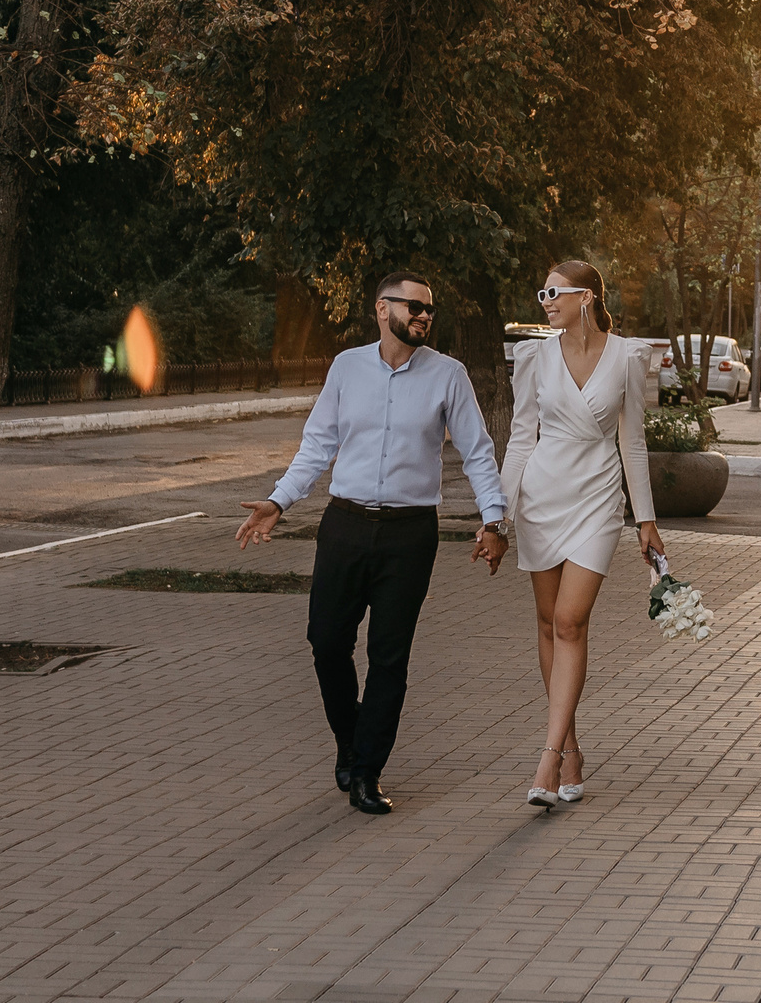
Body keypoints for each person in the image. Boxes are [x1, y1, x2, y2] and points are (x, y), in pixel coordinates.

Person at [236, 271, 509, 817]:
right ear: (382, 310)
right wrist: (278, 501)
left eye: (429, 309)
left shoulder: (448, 376)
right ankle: (350, 738)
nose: (424, 316)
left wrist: (494, 521)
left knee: (389, 655)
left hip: (410, 535)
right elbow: (317, 446)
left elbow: (477, 452)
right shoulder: (347, 367)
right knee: (326, 641)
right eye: (413, 307)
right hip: (345, 525)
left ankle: (366, 771)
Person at [501, 260, 662, 808]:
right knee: (548, 624)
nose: (544, 300)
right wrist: (499, 514)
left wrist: (646, 519)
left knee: (570, 621)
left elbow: (632, 441)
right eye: (541, 291)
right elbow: (522, 439)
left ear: (586, 297)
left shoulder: (627, 356)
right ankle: (569, 748)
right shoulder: (533, 355)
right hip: (540, 498)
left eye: (554, 292)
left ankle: (546, 762)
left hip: (597, 498)